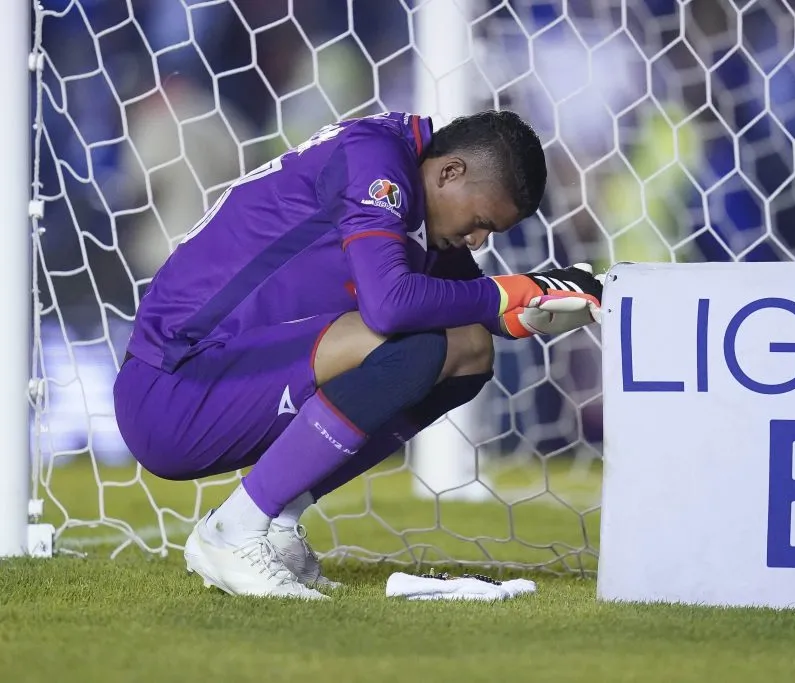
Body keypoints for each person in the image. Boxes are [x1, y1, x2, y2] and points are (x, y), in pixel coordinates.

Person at [112, 110, 604, 600]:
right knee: (419, 345)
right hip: (173, 387)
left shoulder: (412, 181)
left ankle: (279, 520)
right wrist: (504, 294)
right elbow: (391, 307)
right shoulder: (377, 161)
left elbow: (473, 305)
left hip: (227, 374)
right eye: (480, 223)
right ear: (450, 172)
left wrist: (537, 305)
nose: (478, 240)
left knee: (469, 350)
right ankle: (232, 532)